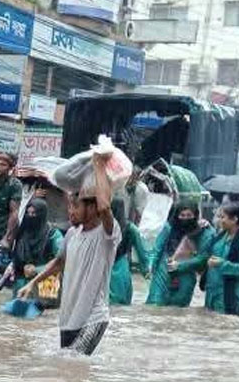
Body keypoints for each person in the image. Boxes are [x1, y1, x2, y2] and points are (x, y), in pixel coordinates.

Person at [19, 152, 120, 356]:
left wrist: (99, 166)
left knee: (73, 361)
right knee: (69, 373)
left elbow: (106, 207)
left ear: (92, 208)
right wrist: (32, 284)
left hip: (93, 318)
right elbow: (58, 262)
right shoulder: (72, 234)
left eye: (75, 206)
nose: (70, 212)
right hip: (68, 318)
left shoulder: (107, 234)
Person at [146, 199, 212, 307]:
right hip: (164, 270)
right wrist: (150, 267)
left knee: (179, 309)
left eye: (189, 215)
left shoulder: (202, 231)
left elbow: (203, 257)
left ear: (195, 215)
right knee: (155, 304)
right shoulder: (169, 227)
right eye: (182, 215)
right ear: (176, 215)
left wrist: (181, 265)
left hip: (186, 274)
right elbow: (157, 249)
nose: (185, 218)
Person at [203, 200, 239, 316]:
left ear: (234, 219)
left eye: (222, 217)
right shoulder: (221, 235)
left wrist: (222, 264)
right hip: (213, 291)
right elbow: (207, 251)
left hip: (232, 294)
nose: (219, 220)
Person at [8, 198, 64, 298]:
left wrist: (37, 270)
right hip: (22, 283)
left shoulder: (53, 235)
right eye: (28, 213)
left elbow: (61, 261)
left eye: (34, 214)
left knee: (44, 309)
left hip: (46, 284)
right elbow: (16, 257)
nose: (30, 217)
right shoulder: (22, 233)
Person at [108, 198, 149, 305]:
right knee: (122, 301)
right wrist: (146, 272)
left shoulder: (103, 227)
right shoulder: (131, 228)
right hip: (122, 266)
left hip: (106, 265)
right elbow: (142, 253)